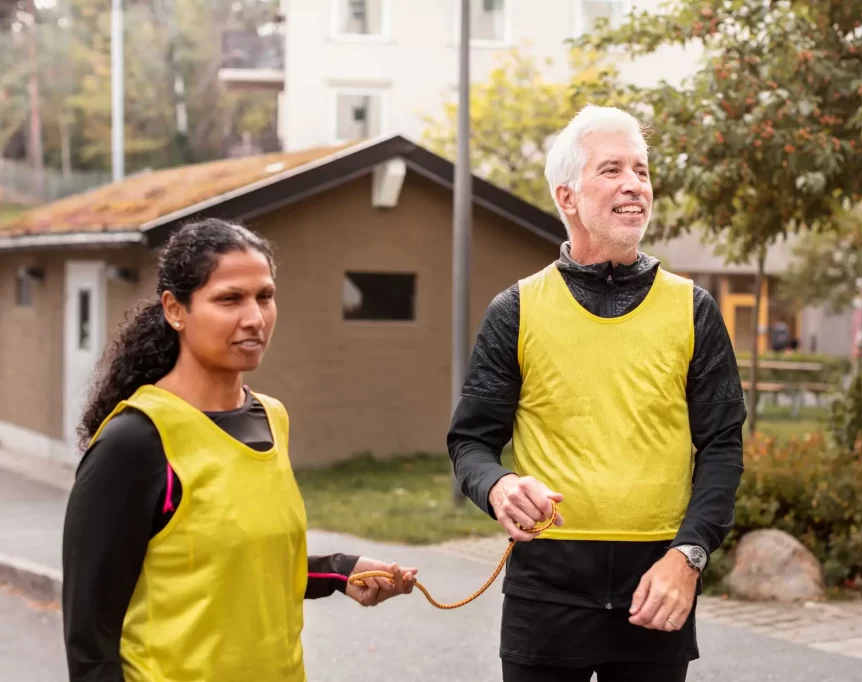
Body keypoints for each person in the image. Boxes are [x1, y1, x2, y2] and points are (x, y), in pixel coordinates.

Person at [448, 105, 747, 682]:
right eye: (612, 170)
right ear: (568, 197)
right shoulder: (515, 310)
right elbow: (470, 443)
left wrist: (689, 558)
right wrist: (499, 486)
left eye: (642, 170)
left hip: (658, 581)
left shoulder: (695, 309)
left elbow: (722, 450)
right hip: (547, 586)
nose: (635, 185)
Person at [62, 218, 417, 682]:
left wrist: (339, 572)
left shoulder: (273, 417)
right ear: (175, 309)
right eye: (230, 299)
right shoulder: (137, 441)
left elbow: (241, 568)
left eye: (264, 296)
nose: (254, 317)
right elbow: (90, 641)